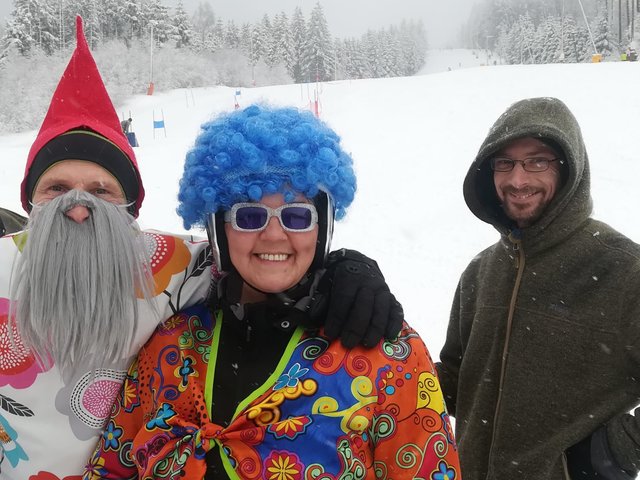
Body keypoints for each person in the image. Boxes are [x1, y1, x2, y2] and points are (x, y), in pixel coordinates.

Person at [0, 17, 404, 479]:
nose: (77, 208)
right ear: (30, 203)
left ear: (130, 212)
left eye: (101, 190)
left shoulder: (170, 266)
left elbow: (258, 260)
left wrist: (347, 268)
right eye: (56, 189)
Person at [85, 105, 460, 479]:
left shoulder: (388, 353)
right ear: (218, 229)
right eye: (249, 216)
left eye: (297, 216)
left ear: (322, 228)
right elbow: (110, 470)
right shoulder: (171, 345)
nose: (274, 235)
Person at [437, 96, 640, 480]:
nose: (518, 180)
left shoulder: (624, 270)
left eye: (537, 161)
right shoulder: (480, 272)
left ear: (569, 169)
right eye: (505, 163)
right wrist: (388, 365)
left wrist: (613, 452)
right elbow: (457, 380)